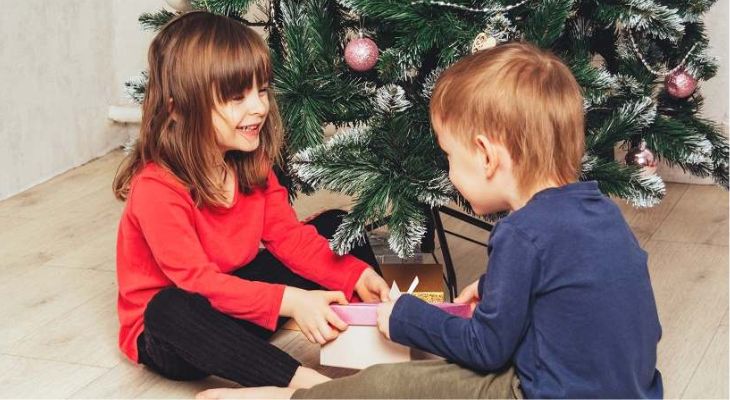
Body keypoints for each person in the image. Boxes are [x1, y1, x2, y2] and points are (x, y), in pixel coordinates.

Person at [198, 42, 663, 399]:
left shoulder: (520, 233)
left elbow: (487, 349)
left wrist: (404, 316)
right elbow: (590, 298)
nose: (448, 172)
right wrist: (500, 289)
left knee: (387, 384)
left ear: (485, 156)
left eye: (449, 157)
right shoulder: (600, 210)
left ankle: (294, 395)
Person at [112, 11, 389, 390]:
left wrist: (356, 275)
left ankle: (373, 334)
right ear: (177, 108)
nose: (259, 107)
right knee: (168, 309)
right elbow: (199, 284)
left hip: (235, 298)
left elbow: (288, 239)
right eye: (236, 97)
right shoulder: (156, 188)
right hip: (181, 333)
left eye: (261, 90)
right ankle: (302, 384)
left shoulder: (249, 163)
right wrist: (290, 301)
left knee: (336, 227)